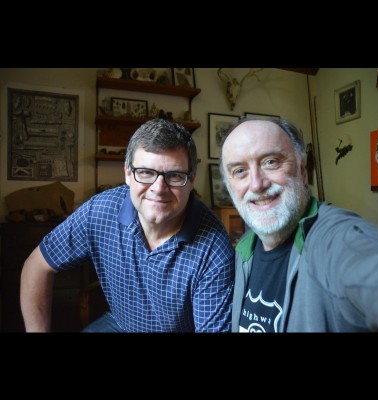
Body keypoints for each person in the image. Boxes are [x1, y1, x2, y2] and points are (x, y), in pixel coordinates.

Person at [20, 119, 235, 332]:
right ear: (127, 173)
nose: (158, 189)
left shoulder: (214, 247)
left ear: (192, 179)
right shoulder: (100, 210)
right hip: (119, 324)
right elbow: (36, 267)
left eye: (175, 176)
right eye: (145, 173)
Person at [219, 116, 378, 332]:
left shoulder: (335, 238)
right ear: (230, 187)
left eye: (271, 162)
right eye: (240, 171)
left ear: (302, 171)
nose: (257, 184)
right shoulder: (244, 248)